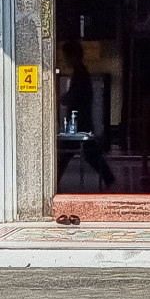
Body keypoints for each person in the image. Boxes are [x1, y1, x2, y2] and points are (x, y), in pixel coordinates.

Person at [57, 40, 115, 190]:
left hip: (79, 122)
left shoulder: (80, 74)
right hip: (81, 120)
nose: (65, 60)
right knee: (88, 153)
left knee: (67, 153)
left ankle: (53, 182)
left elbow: (75, 96)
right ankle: (109, 179)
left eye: (66, 57)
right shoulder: (81, 73)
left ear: (73, 56)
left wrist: (62, 99)